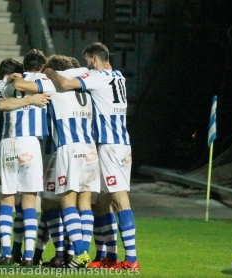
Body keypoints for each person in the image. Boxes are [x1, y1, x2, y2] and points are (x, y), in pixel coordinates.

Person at [43, 42, 139, 271]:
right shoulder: (117, 76)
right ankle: (110, 257)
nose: (87, 66)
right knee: (102, 203)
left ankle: (132, 261)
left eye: (87, 61)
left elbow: (65, 83)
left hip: (109, 145)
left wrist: (48, 71)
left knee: (119, 199)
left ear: (95, 60)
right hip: (121, 143)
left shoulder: (98, 76)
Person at [10, 54, 100, 268]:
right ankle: (82, 254)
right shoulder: (84, 88)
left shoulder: (53, 84)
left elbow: (22, 84)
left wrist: (16, 77)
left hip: (69, 148)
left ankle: (79, 254)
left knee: (67, 202)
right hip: (90, 149)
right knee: (84, 204)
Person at [0, 57, 51, 266]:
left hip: (7, 144)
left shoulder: (6, 84)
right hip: (31, 143)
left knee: (6, 200)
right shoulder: (44, 81)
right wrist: (32, 99)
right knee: (29, 203)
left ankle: (6, 253)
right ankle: (27, 257)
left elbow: (1, 105)